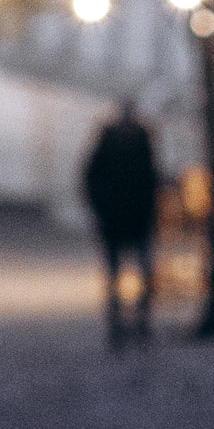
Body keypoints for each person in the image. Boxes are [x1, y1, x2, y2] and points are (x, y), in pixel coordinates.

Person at [82, 101, 159, 341]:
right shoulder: (133, 141)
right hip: (123, 219)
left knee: (132, 273)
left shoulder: (135, 141)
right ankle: (124, 324)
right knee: (121, 274)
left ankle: (131, 324)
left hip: (130, 219)